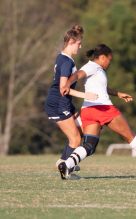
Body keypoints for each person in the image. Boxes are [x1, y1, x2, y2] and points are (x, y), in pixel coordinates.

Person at [57, 44, 136, 179]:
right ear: (102, 57)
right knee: (130, 136)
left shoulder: (97, 69)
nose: (109, 63)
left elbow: (101, 88)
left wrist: (118, 93)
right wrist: (66, 83)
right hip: (103, 108)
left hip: (88, 110)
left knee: (89, 146)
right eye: (109, 60)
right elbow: (77, 75)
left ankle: (67, 165)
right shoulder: (92, 66)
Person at [44, 25, 97, 170]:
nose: (80, 47)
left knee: (81, 131)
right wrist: (87, 95)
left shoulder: (62, 57)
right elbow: (63, 89)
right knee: (75, 139)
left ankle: (64, 162)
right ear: (71, 41)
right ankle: (66, 166)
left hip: (64, 104)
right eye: (79, 43)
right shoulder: (67, 62)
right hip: (58, 105)